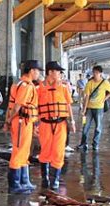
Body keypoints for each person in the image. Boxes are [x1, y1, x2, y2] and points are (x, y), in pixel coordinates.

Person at [5, 60, 42, 194]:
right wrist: (9, 120)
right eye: (38, 71)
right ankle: (14, 184)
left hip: (25, 122)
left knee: (25, 152)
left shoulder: (20, 84)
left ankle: (24, 181)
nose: (38, 73)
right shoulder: (26, 86)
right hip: (21, 121)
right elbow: (17, 106)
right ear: (31, 70)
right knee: (19, 152)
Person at [37, 61, 75, 189]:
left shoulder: (64, 88)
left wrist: (72, 121)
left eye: (59, 72)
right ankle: (45, 178)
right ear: (50, 72)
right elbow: (35, 107)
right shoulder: (39, 88)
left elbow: (68, 105)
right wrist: (34, 124)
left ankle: (55, 180)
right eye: (57, 71)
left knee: (58, 152)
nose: (59, 74)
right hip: (45, 124)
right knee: (45, 151)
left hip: (61, 124)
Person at [78, 65, 110, 151]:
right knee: (85, 127)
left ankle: (95, 144)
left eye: (97, 73)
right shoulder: (89, 83)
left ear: (101, 74)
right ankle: (83, 143)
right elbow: (86, 97)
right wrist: (84, 109)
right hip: (89, 109)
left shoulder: (105, 83)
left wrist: (104, 99)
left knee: (98, 127)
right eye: (94, 72)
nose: (95, 74)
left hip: (99, 108)